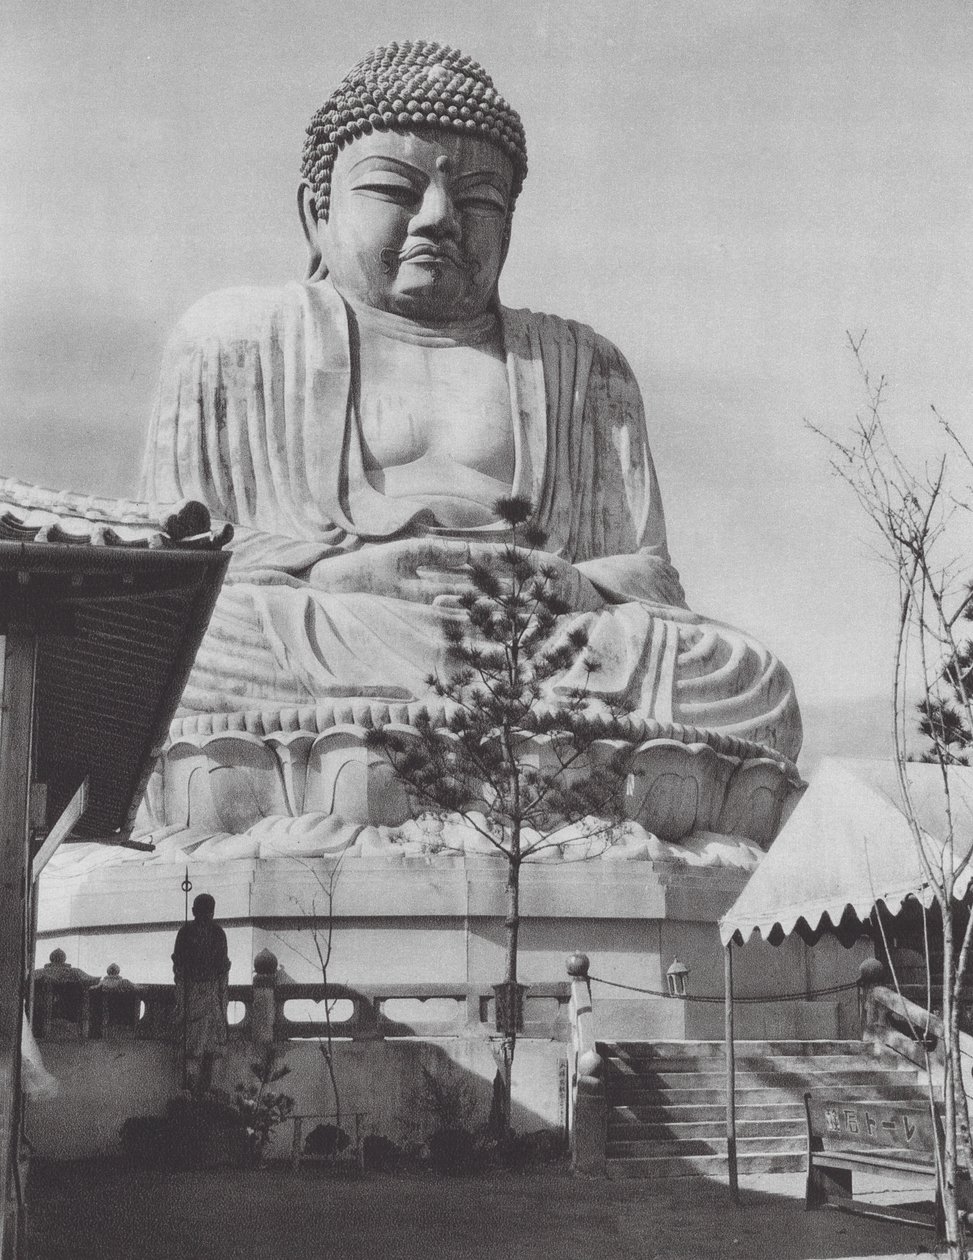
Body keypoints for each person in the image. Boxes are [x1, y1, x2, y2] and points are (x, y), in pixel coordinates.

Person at [138, 41, 801, 835]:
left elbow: (646, 572)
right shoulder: (240, 336)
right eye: (394, 188)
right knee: (192, 653)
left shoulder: (580, 363)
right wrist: (353, 571)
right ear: (317, 211)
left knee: (742, 681)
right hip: (334, 632)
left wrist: (566, 588)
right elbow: (180, 562)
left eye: (479, 199)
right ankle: (603, 803)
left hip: (542, 646)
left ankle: (364, 787)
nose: (439, 220)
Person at [172, 894, 230, 1093]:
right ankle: (189, 1089)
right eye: (202, 911)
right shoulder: (186, 933)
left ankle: (208, 1091)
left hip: (213, 993)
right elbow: (178, 964)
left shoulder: (218, 934)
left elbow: (223, 965)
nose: (206, 916)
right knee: (192, 1048)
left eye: (209, 912)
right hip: (192, 993)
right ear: (193, 911)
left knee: (211, 1049)